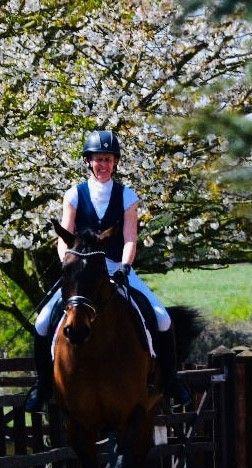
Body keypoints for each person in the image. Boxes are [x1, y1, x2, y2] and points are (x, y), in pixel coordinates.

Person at [24, 129, 192, 411]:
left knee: (162, 318)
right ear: (88, 161)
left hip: (115, 266)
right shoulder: (74, 194)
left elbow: (129, 238)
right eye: (98, 159)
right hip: (81, 268)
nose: (103, 164)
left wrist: (125, 266)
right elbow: (64, 236)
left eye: (108, 159)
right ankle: (42, 386)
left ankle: (171, 381)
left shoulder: (127, 196)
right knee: (42, 322)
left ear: (115, 162)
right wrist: (70, 264)